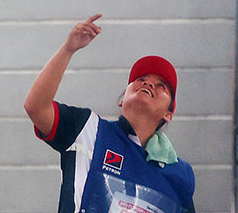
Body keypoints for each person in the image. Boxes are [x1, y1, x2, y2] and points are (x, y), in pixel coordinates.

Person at [24, 14, 196, 213]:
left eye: (161, 86)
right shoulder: (87, 128)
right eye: (141, 79)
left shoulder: (181, 174)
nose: (149, 84)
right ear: (123, 100)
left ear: (168, 114)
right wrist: (68, 49)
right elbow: (35, 107)